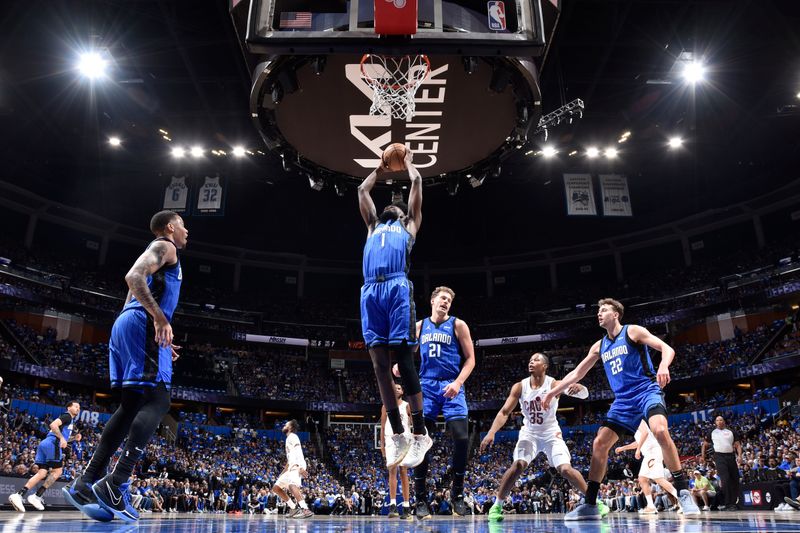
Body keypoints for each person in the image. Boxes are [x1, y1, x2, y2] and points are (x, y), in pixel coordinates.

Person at [63, 210, 188, 522]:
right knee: (160, 401)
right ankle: (116, 483)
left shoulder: (155, 253)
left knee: (131, 405)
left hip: (127, 323)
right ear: (171, 227)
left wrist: (149, 331)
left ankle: (85, 483)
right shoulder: (165, 246)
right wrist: (158, 318)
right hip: (142, 323)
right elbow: (132, 277)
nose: (187, 233)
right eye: (184, 226)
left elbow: (132, 293)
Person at [543, 298, 701, 519]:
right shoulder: (599, 346)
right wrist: (552, 392)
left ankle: (683, 491)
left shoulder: (633, 332)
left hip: (646, 391)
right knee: (599, 443)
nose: (599, 313)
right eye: (598, 310)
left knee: (660, 431)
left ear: (616, 314)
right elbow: (577, 373)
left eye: (604, 310)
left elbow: (667, 348)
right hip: (623, 402)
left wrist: (663, 365)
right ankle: (590, 504)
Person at [358, 149, 431, 469]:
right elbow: (362, 190)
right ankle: (400, 433)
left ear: (402, 214)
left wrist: (407, 161)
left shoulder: (409, 226)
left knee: (403, 358)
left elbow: (416, 181)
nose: (389, 206)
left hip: (397, 288)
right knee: (378, 365)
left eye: (394, 206)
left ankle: (421, 433)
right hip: (370, 290)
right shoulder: (373, 226)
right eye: (386, 205)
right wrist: (380, 167)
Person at [480, 353, 605, 521]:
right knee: (518, 465)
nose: (531, 362)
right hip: (529, 433)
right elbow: (504, 412)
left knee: (565, 469)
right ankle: (497, 506)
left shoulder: (554, 384)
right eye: (530, 360)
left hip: (551, 433)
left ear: (545, 366)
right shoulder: (520, 386)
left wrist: (580, 389)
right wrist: (491, 432)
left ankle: (594, 501)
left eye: (536, 360)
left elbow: (584, 395)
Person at [409, 286, 476, 519]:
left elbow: (471, 360)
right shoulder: (419, 326)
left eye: (449, 300)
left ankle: (457, 495)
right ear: (432, 301)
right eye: (442, 298)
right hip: (426, 386)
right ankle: (420, 500)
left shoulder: (458, 325)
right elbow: (409, 355)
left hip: (451, 385)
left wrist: (458, 383)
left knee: (461, 437)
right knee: (421, 441)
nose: (446, 302)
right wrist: (401, 365)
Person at [8, 401, 80, 512]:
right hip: (53, 443)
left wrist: (73, 439)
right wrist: (61, 439)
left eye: (79, 407)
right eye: (75, 406)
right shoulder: (67, 416)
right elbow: (53, 425)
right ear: (68, 407)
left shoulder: (68, 421)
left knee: (41, 473)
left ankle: (19, 494)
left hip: (45, 443)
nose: (78, 409)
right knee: (58, 472)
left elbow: (58, 434)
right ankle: (36, 496)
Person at [615, 420, 681, 515]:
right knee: (647, 479)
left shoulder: (637, 419)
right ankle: (652, 505)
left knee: (651, 479)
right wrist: (623, 448)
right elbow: (638, 442)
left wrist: (638, 450)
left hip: (653, 451)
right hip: (650, 453)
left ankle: (680, 499)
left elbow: (645, 433)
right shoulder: (634, 427)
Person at [380, 383, 412, 520]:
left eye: (399, 387)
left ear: (402, 391)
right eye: (395, 387)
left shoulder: (406, 405)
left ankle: (406, 506)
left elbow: (413, 422)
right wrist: (382, 445)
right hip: (390, 440)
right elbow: (382, 426)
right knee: (392, 471)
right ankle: (392, 505)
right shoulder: (385, 405)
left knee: (403, 471)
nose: (396, 389)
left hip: (404, 440)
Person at [272, 420, 313, 519]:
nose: (283, 426)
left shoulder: (293, 436)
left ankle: (305, 509)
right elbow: (290, 459)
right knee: (276, 488)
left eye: (286, 424)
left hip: (297, 465)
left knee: (292, 485)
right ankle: (293, 508)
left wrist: (300, 467)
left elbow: (297, 452)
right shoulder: (288, 438)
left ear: (290, 427)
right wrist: (282, 473)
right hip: (291, 466)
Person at [700, 415, 742, 510]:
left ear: (724, 421)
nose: (719, 421)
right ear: (715, 422)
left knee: (734, 479)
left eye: (721, 420)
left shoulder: (731, 431)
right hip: (719, 457)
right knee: (725, 479)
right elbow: (705, 445)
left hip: (731, 456)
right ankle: (728, 504)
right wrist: (703, 456)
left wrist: (739, 456)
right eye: (717, 420)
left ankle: (734, 502)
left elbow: (738, 445)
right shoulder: (712, 432)